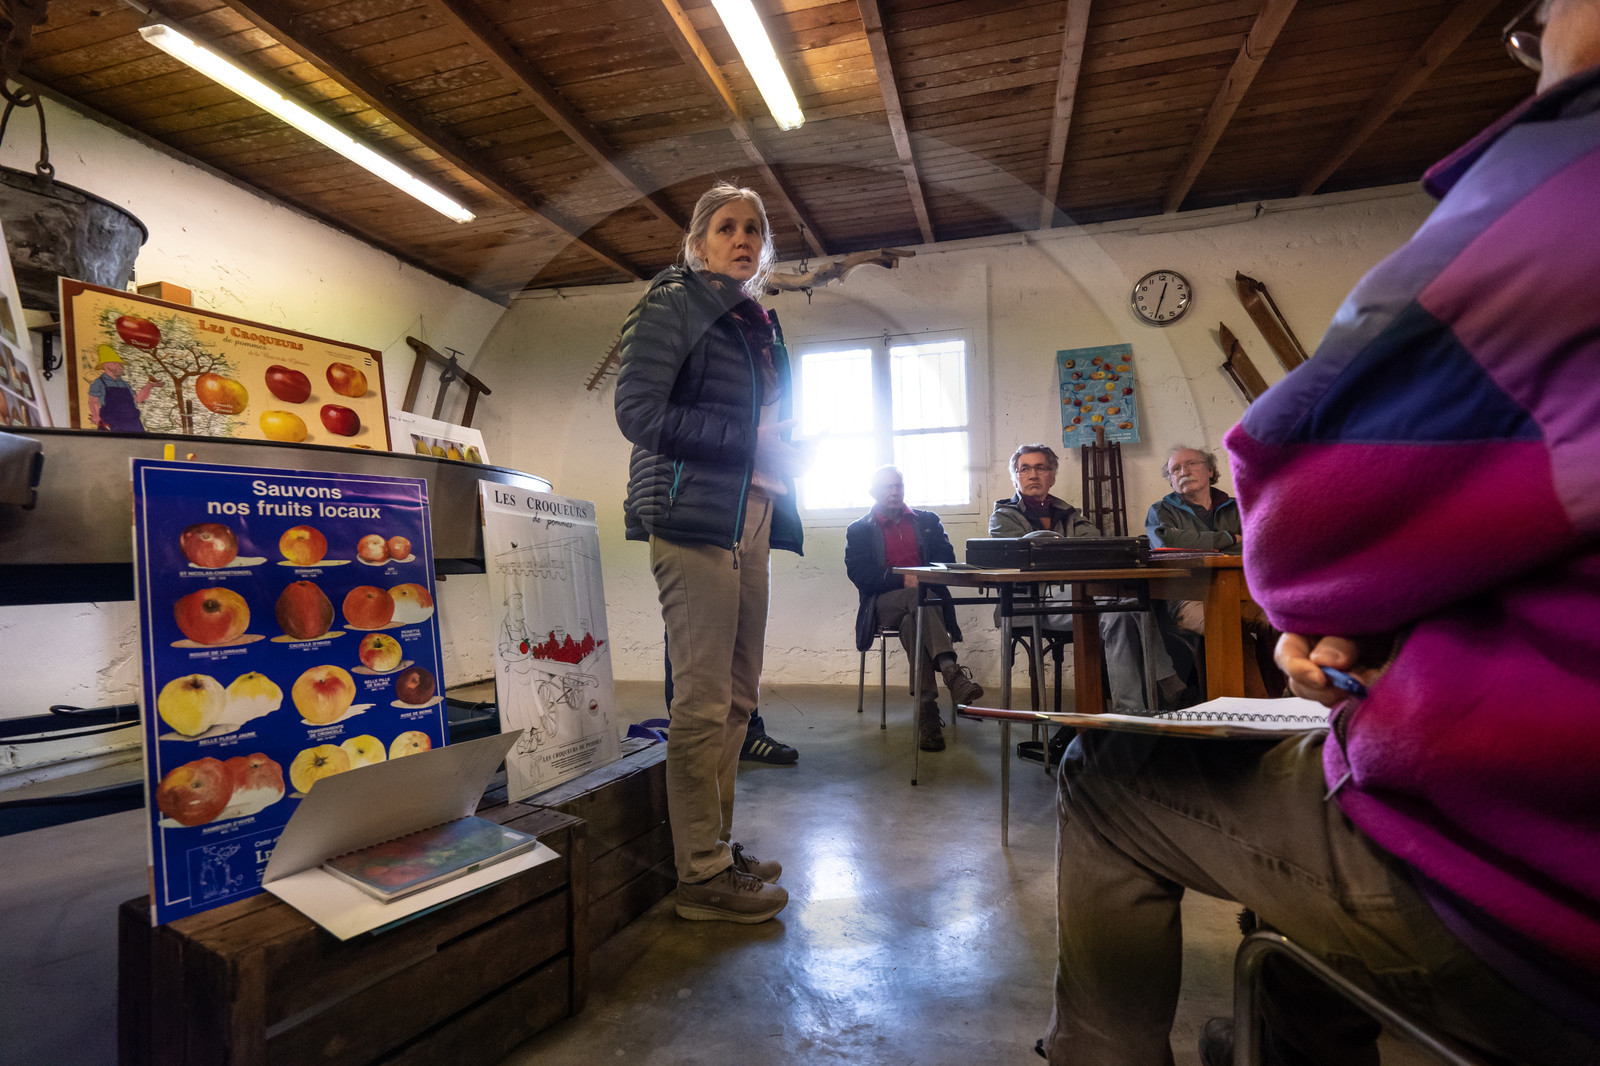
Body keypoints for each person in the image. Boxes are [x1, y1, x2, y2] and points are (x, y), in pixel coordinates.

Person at [1041, 4, 1600, 1062]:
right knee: (1152, 649)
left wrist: (1344, 610)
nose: (1532, 52)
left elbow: (1294, 517)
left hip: (1537, 885)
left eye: (1537, 23)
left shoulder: (1567, 189)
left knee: (1103, 774)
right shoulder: (1146, 508)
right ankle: (1287, 1027)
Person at [614, 181, 804, 924]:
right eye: (726, 227)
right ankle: (698, 875)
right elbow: (638, 412)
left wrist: (780, 453)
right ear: (696, 244)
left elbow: (759, 424)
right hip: (691, 516)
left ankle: (715, 846)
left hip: (752, 512)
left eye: (754, 229)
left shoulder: (755, 321)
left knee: (738, 698)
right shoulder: (672, 303)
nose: (743, 238)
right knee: (699, 701)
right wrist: (747, 443)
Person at [990, 443, 1186, 714]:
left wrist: (1060, 552)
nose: (1032, 474)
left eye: (1040, 467)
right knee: (1120, 603)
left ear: (1052, 476)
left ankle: (1130, 715)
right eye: (1024, 469)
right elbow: (1021, 559)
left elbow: (1094, 546)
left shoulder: (1070, 514)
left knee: (1125, 608)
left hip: (1076, 594)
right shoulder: (1003, 516)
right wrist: (1066, 552)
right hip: (1031, 602)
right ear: (1016, 477)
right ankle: (1163, 686)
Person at [845, 465, 983, 752]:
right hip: (883, 604)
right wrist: (900, 578)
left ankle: (928, 715)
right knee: (916, 599)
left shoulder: (927, 521)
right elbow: (859, 573)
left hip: (923, 603)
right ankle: (951, 672)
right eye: (887, 486)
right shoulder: (859, 529)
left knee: (913, 621)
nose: (895, 491)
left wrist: (922, 577)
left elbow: (946, 557)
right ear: (873, 491)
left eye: (899, 485)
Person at [1145, 444, 1276, 698]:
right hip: (1188, 599)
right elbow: (1167, 543)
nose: (1183, 471)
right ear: (1171, 481)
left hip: (1243, 593)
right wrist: (1228, 538)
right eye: (1175, 469)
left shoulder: (1239, 507)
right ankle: (1257, 717)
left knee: (1287, 620)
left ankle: (1297, 703)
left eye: (1191, 463)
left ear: (1211, 471)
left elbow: (1262, 544)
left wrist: (1200, 542)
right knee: (1228, 627)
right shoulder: (1161, 511)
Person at [86, 345, 158, 431]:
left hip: (133, 423)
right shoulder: (99, 382)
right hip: (113, 424)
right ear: (105, 365)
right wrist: (96, 417)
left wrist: (148, 386)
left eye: (120, 364)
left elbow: (138, 399)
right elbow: (93, 401)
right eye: (114, 363)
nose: (120, 367)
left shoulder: (124, 384)